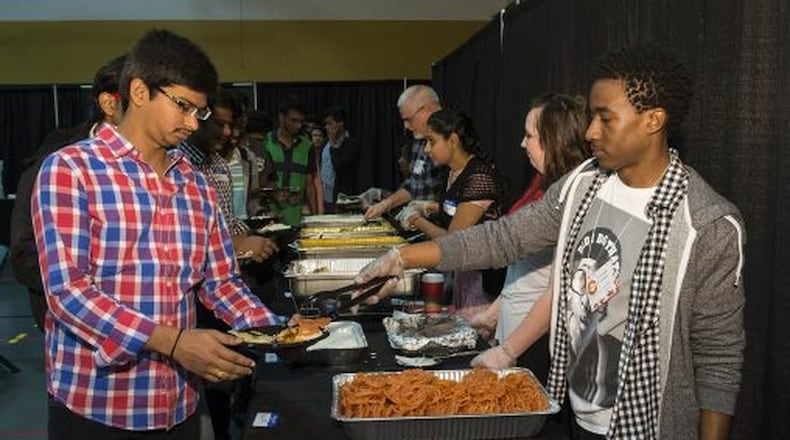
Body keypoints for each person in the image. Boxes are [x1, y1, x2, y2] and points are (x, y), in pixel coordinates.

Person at [356, 45, 745, 440]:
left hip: (645, 426)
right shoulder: (583, 184)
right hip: (574, 410)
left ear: (653, 121)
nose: (591, 131)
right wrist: (401, 257)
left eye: (605, 119)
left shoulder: (707, 223)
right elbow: (504, 238)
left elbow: (719, 357)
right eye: (592, 117)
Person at [32, 29, 283, 439]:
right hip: (97, 406)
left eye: (199, 113)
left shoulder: (195, 184)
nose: (191, 123)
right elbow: (68, 293)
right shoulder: (71, 170)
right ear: (140, 91)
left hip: (178, 403)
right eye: (183, 106)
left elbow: (220, 282)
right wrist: (173, 341)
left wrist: (278, 330)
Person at [468, 93, 591, 383]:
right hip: (514, 333)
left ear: (555, 140)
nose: (522, 144)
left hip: (537, 343)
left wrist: (508, 351)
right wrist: (495, 312)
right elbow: (525, 269)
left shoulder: (573, 199)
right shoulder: (542, 182)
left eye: (529, 135)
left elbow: (557, 292)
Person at [10, 54, 126, 332]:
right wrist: (92, 298)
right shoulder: (57, 158)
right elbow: (25, 253)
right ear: (109, 104)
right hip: (78, 325)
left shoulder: (169, 162)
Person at [400, 109, 506, 319]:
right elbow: (453, 207)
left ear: (453, 140)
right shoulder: (453, 172)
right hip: (463, 276)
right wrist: (427, 207)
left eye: (432, 141)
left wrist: (416, 219)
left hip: (483, 281)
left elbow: (454, 241)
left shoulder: (478, 177)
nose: (428, 149)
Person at [179, 87, 278, 262]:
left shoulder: (219, 164)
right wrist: (235, 244)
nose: (227, 132)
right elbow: (182, 240)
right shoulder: (174, 164)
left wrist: (251, 236)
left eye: (230, 125)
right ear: (198, 120)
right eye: (219, 124)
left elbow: (228, 221)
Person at [364, 85, 446, 219]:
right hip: (422, 225)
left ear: (427, 110)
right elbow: (414, 185)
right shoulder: (419, 140)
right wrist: (386, 204)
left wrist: (426, 208)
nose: (406, 126)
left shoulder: (449, 137)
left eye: (408, 119)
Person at [262, 98, 318, 225]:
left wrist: (315, 218)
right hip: (270, 217)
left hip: (295, 218)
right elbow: (260, 180)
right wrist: (274, 193)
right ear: (281, 117)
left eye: (301, 122)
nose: (298, 125)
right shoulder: (266, 142)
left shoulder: (307, 146)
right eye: (293, 120)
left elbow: (310, 185)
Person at [320, 105, 361, 213]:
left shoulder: (351, 144)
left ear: (340, 123)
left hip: (342, 201)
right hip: (324, 199)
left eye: (330, 123)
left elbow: (338, 165)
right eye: (326, 124)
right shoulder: (324, 144)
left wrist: (333, 143)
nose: (327, 127)